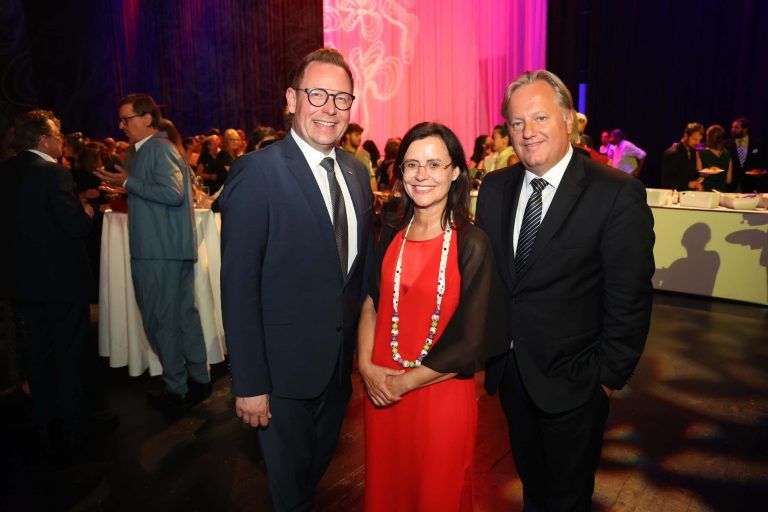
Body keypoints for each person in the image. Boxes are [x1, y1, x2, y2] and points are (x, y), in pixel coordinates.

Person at [476, 70, 654, 511]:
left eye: (540, 118)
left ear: (570, 120)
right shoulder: (495, 189)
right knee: (533, 487)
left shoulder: (615, 193)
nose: (527, 132)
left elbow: (629, 296)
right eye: (517, 123)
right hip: (512, 376)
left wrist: (608, 379)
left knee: (569, 497)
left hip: (578, 382)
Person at [218, 48, 374, 511]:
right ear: (291, 99)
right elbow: (239, 286)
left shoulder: (357, 172)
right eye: (318, 94)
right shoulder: (257, 173)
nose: (330, 108)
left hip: (337, 371)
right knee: (290, 494)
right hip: (281, 375)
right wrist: (249, 382)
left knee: (313, 475)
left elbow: (356, 274)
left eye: (341, 98)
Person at [359, 122, 507, 511]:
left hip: (438, 396)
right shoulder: (391, 230)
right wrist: (366, 368)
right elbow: (372, 303)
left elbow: (471, 342)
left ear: (456, 170)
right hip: (381, 391)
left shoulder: (471, 243)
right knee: (388, 490)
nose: (421, 175)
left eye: (434, 164)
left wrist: (403, 383)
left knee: (436, 493)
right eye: (411, 165)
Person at [94, 94, 210, 410]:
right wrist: (128, 186)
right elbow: (163, 194)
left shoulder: (156, 149)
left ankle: (178, 389)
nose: (121, 126)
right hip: (169, 250)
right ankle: (198, 381)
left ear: (147, 118)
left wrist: (130, 181)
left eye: (126, 118)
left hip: (159, 252)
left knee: (162, 320)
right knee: (183, 317)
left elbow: (171, 194)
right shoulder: (158, 149)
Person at [0, 110, 94, 453]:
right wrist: (86, 212)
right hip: (61, 282)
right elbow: (74, 227)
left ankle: (44, 419)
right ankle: (74, 426)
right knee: (68, 353)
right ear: (43, 140)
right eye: (58, 134)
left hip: (22, 282)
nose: (61, 140)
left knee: (37, 351)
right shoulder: (54, 174)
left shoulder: (6, 171)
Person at [661, 122, 705, 191]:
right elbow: (667, 182)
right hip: (675, 197)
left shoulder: (693, 152)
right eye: (695, 139)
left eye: (700, 140)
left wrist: (702, 175)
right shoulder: (671, 153)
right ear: (686, 136)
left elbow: (689, 175)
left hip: (689, 197)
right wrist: (688, 184)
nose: (698, 143)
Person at [724, 118, 764, 191]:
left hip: (750, 185)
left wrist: (760, 171)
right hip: (731, 185)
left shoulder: (756, 145)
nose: (732, 130)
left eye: (736, 127)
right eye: (732, 127)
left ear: (745, 129)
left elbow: (761, 163)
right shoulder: (726, 144)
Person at [697, 125, 733, 191]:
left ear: (708, 138)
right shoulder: (727, 154)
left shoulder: (700, 153)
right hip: (721, 192)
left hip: (705, 192)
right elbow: (728, 180)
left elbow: (699, 176)